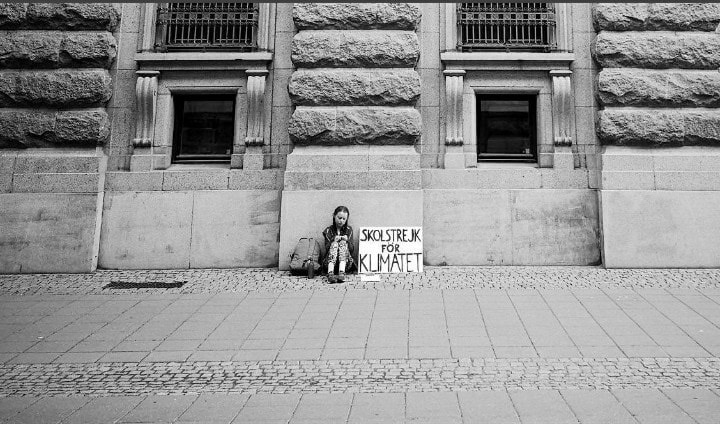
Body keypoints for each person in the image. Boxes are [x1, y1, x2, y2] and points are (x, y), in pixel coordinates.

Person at [322, 205, 355, 283]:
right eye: (339, 218)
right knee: (334, 244)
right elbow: (326, 249)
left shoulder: (349, 230)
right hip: (329, 263)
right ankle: (330, 274)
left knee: (343, 243)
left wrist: (347, 241)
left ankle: (341, 273)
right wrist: (333, 240)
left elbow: (352, 250)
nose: (341, 221)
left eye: (344, 219)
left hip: (345, 264)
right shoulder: (328, 230)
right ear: (334, 216)